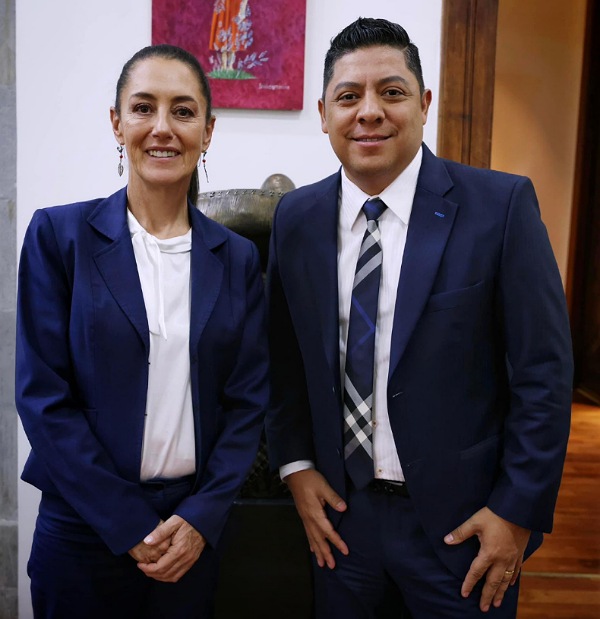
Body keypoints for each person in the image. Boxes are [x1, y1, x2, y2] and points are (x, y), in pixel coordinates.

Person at [265, 17, 573, 618]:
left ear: (424, 103)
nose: (369, 112)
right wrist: (296, 466)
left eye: (392, 92)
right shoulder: (295, 219)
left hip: (465, 530)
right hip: (343, 522)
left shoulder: (500, 207)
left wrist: (516, 512)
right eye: (349, 97)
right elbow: (283, 358)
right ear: (324, 113)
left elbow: (544, 374)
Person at [16, 44, 268, 618]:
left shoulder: (237, 258)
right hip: (82, 527)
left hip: (189, 532)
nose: (162, 128)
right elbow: (43, 398)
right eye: (143, 107)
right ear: (117, 123)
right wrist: (127, 523)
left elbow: (247, 403)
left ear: (207, 131)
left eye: (183, 111)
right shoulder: (59, 237)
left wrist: (201, 517)